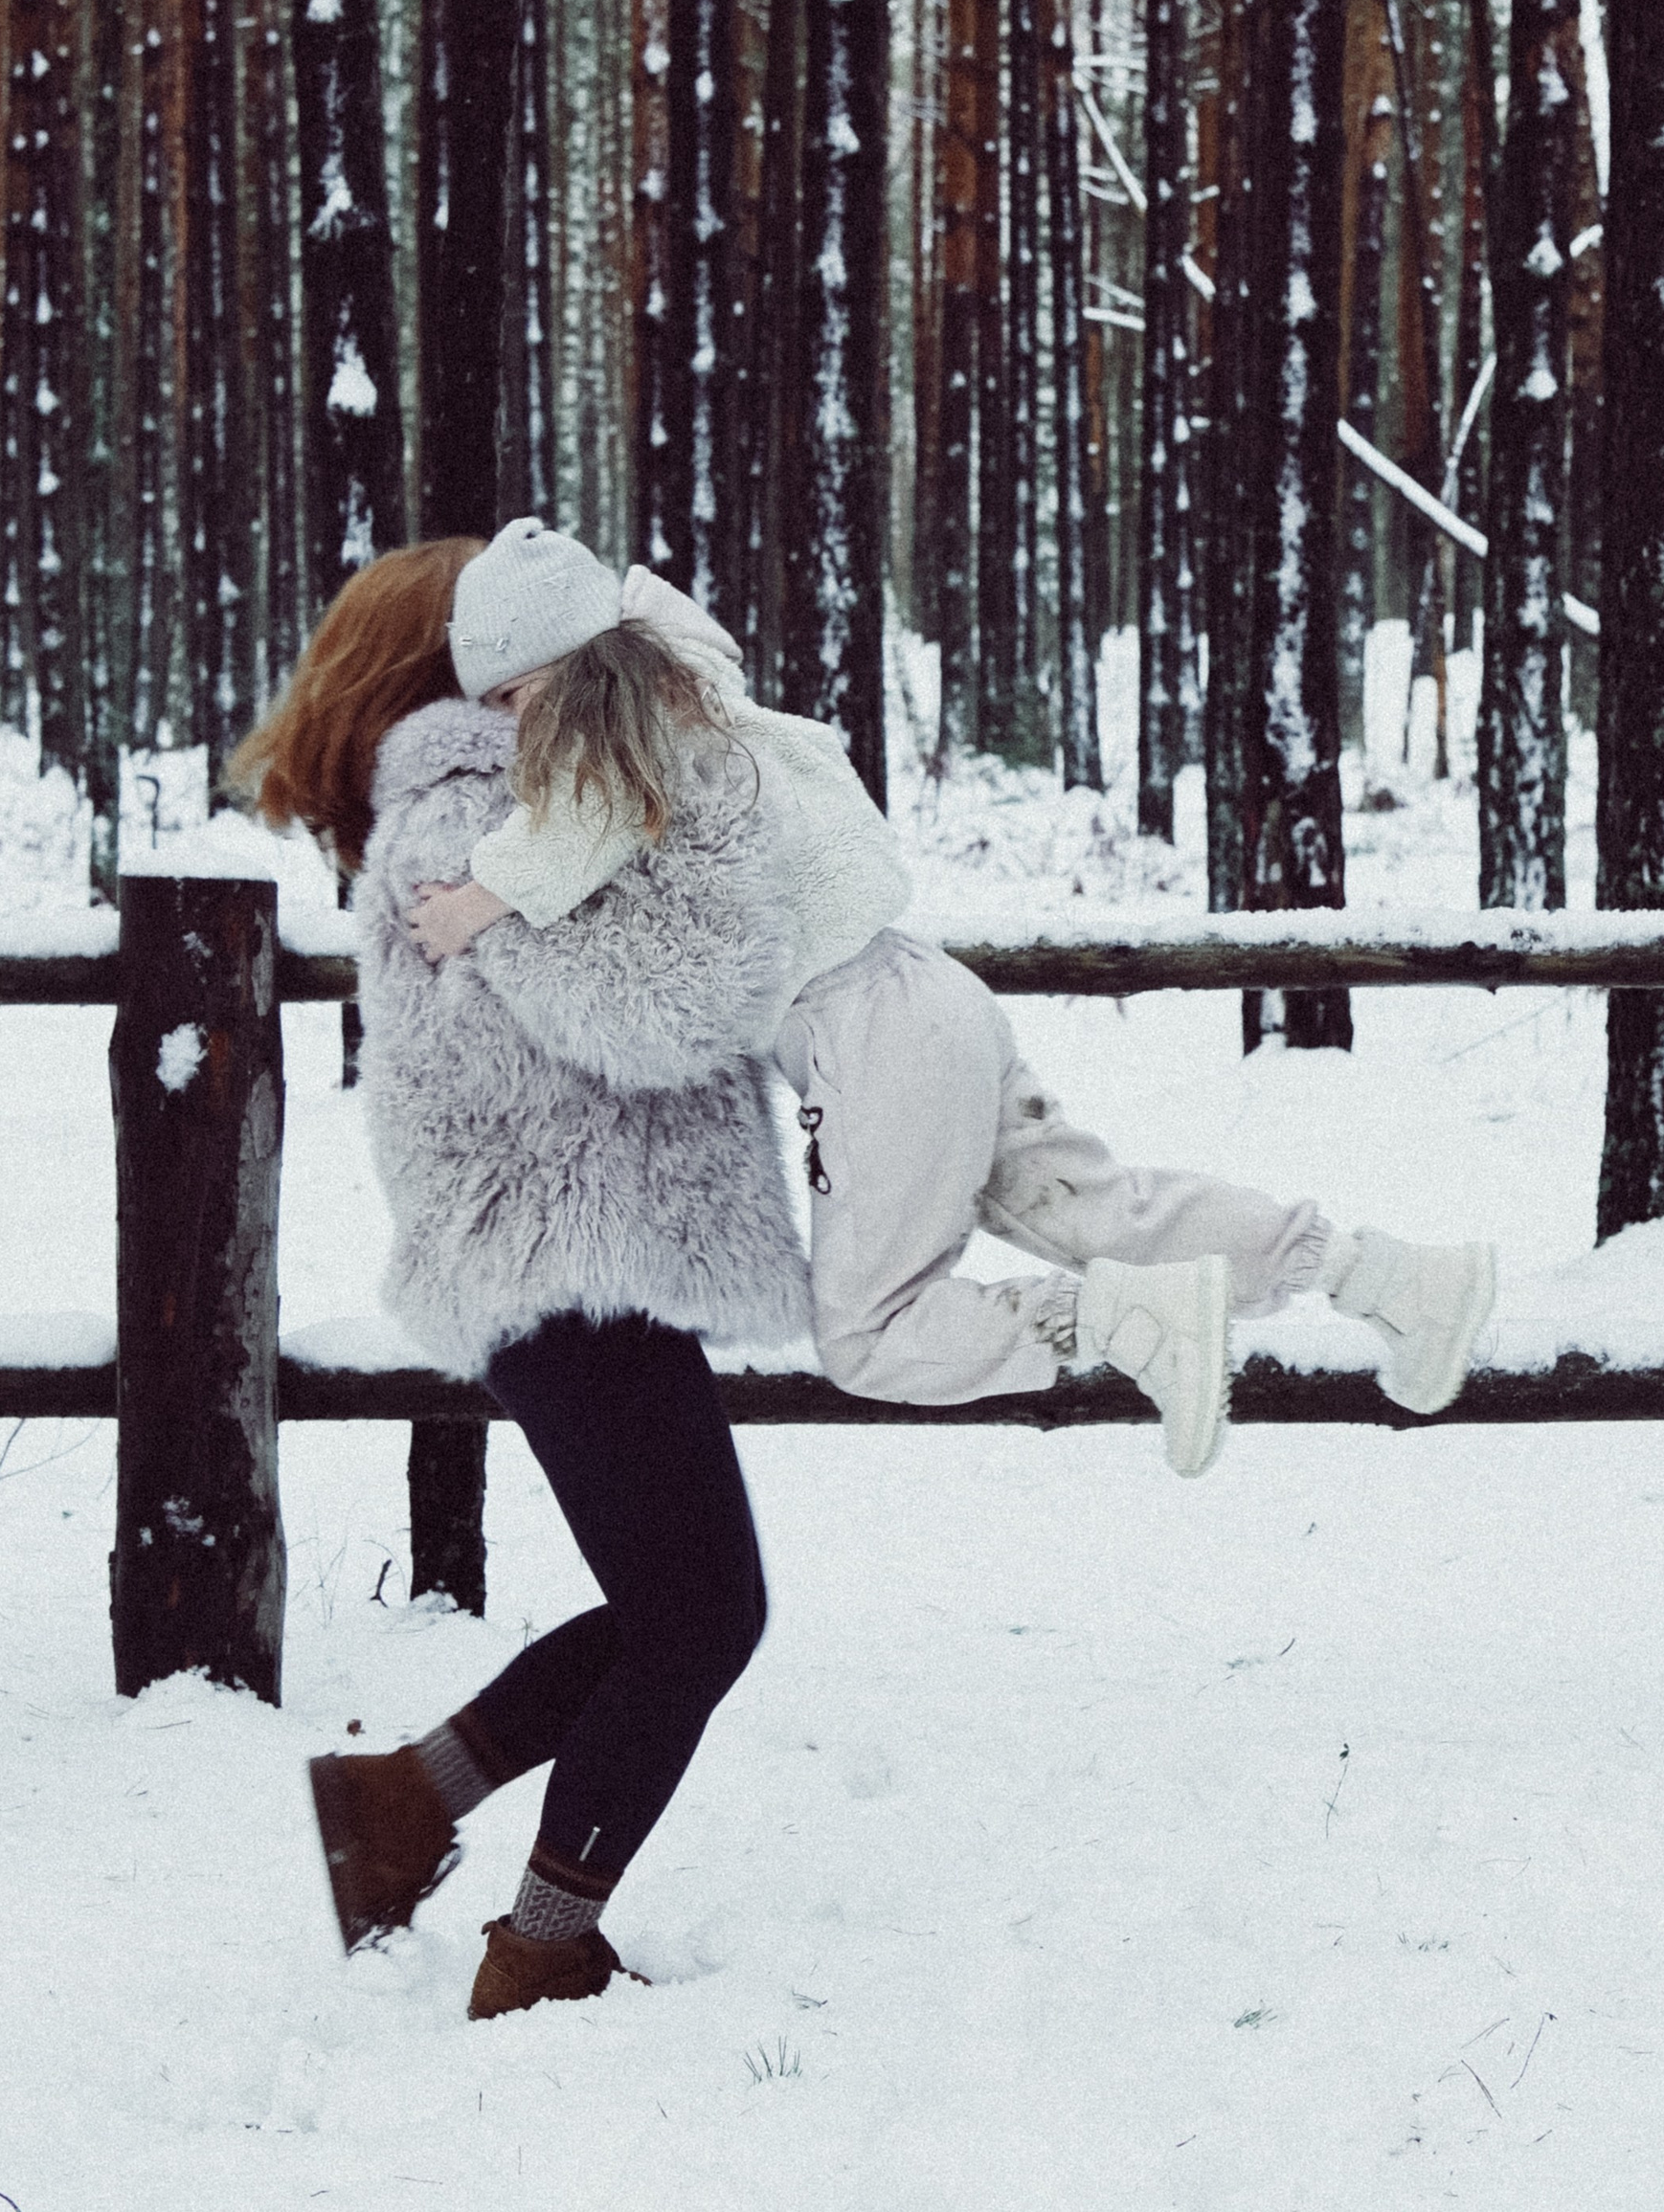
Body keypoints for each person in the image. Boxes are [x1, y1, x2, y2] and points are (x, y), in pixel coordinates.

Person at [411, 520, 1499, 1478]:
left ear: (565, 667)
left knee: (870, 1334)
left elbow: (573, 834)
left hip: (862, 1029)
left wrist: (469, 905)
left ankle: (1120, 1318)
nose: (512, 725)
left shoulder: (617, 729)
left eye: (513, 696)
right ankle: (1389, 1278)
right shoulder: (698, 691)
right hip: (928, 991)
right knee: (1099, 1205)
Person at [234, 541, 809, 2021]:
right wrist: (725, 841)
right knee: (700, 1615)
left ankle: (400, 1806)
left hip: (571, 1253)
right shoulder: (482, 817)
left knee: (684, 1605)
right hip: (566, 1253)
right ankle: (540, 1945)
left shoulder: (511, 804)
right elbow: (667, 1009)